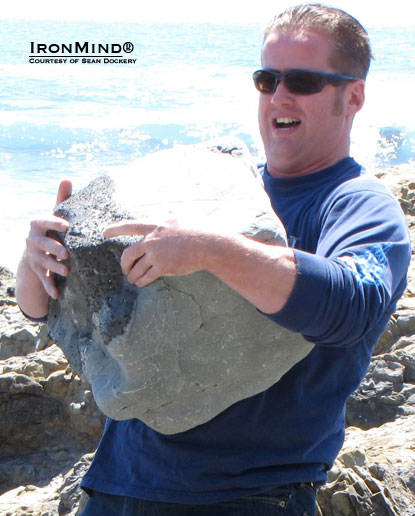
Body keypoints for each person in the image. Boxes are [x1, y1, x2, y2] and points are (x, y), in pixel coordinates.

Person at [16, 3, 411, 515]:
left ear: (353, 95)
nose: (279, 95)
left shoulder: (358, 203)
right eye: (266, 79)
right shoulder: (218, 183)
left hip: (249, 496)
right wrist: (37, 261)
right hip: (117, 485)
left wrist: (212, 250)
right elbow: (47, 313)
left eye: (304, 81)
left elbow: (354, 304)